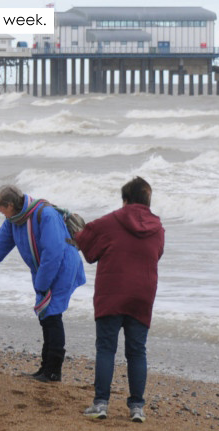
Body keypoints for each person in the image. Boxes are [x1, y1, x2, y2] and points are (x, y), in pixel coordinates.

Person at [0, 184, 85, 382]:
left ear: (10, 204)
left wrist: (43, 284)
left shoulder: (45, 215)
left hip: (63, 267)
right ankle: (45, 368)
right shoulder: (14, 220)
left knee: (52, 315)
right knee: (45, 316)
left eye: (0, 208)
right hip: (45, 270)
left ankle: (53, 371)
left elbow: (53, 253)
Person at [75, 177, 164, 423]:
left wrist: (76, 232)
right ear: (148, 201)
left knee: (106, 349)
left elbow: (87, 245)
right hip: (142, 295)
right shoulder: (158, 229)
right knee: (137, 352)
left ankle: (101, 404)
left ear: (126, 200)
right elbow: (157, 254)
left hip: (112, 293)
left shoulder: (111, 221)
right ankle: (137, 408)